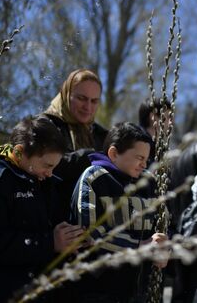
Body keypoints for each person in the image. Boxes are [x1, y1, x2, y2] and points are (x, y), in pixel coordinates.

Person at [0, 116, 84, 302]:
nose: (50, 173)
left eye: (54, 167)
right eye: (47, 165)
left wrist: (72, 239)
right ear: (20, 152)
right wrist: (49, 243)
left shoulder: (45, 183)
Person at [71, 122, 167, 302]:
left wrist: (163, 246)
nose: (144, 164)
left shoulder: (148, 182)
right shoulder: (95, 178)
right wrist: (140, 246)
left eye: (146, 159)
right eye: (139, 157)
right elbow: (88, 235)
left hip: (139, 290)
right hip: (98, 290)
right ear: (114, 154)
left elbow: (161, 224)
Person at [44, 68, 108, 152]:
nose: (87, 107)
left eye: (94, 101)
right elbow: (21, 159)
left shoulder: (103, 137)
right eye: (81, 98)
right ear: (66, 95)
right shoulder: (43, 127)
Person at [138, 98, 172, 166]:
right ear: (153, 116)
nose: (171, 122)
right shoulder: (138, 142)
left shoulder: (161, 147)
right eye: (168, 117)